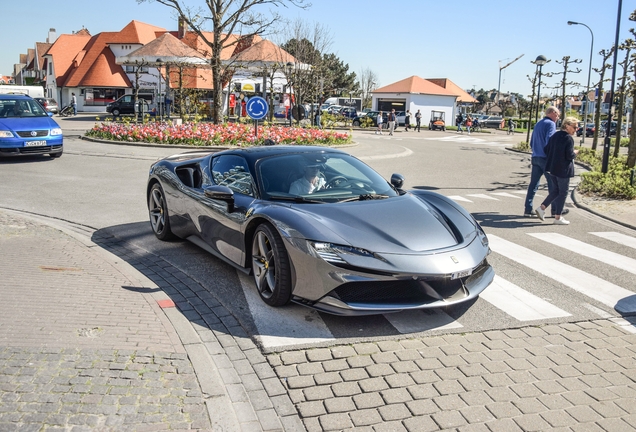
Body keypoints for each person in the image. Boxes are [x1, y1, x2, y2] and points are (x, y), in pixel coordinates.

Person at [534, 117, 579, 225]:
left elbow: (546, 149)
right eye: (574, 127)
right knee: (563, 193)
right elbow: (569, 155)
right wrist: (575, 152)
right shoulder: (568, 138)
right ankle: (558, 217)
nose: (576, 130)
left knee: (555, 191)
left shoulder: (554, 136)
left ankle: (542, 208)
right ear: (567, 126)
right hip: (563, 170)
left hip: (552, 168)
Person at [523, 106, 565, 218]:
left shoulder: (538, 124)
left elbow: (532, 142)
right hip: (545, 159)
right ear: (553, 113)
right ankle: (555, 210)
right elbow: (550, 141)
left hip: (535, 156)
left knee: (533, 184)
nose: (558, 118)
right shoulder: (551, 124)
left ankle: (528, 208)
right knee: (553, 185)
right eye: (558, 115)